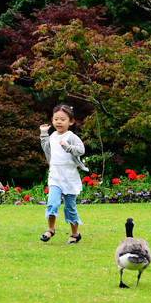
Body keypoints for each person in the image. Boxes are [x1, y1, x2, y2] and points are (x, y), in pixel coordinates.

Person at [39, 104, 88, 243]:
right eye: (56, 119)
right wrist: (43, 134)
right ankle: (50, 230)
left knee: (69, 207)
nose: (59, 122)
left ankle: (75, 233)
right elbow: (46, 149)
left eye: (63, 119)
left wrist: (67, 146)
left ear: (70, 121)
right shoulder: (53, 136)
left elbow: (81, 150)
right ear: (52, 120)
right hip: (55, 175)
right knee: (52, 204)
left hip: (69, 177)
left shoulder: (71, 137)